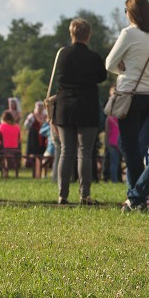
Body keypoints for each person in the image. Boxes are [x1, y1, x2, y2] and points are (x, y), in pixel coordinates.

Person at [105, 0, 149, 210]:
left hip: (129, 94)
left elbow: (109, 62)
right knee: (137, 146)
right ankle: (137, 197)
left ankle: (136, 195)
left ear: (131, 13)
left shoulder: (128, 33)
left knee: (127, 145)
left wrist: (121, 69)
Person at [52, 18, 107, 205]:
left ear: (71, 33)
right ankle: (84, 195)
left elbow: (58, 76)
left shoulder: (62, 54)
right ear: (88, 35)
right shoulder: (94, 57)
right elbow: (102, 76)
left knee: (66, 151)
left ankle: (62, 195)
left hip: (65, 106)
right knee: (85, 152)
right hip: (86, 107)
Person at [23, 101, 47, 178]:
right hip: (34, 137)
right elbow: (26, 126)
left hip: (43, 137)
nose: (40, 109)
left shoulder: (45, 116)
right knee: (34, 154)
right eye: (38, 108)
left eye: (41, 108)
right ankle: (35, 173)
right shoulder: (32, 116)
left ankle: (41, 173)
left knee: (41, 154)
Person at [0, 110, 22, 178]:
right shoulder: (17, 126)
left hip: (4, 149)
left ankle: (4, 171)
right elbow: (19, 139)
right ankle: (15, 172)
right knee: (9, 156)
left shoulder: (1, 126)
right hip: (16, 149)